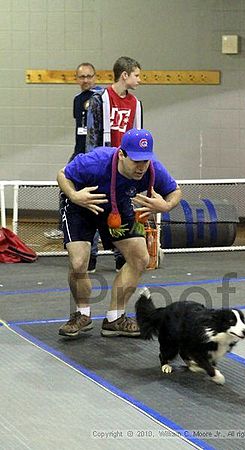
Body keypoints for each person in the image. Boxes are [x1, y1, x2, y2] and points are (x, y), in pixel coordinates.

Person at [57, 128, 182, 338]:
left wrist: (166, 205)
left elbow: (175, 191)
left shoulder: (153, 169)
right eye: (136, 161)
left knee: (140, 258)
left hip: (117, 207)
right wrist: (74, 195)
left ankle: (115, 318)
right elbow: (62, 175)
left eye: (146, 161)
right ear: (122, 154)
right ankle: (82, 314)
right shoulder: (96, 161)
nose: (141, 167)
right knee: (79, 262)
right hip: (82, 206)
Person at [86, 56, 143, 272]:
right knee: (95, 209)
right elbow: (92, 138)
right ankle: (90, 257)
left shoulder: (136, 105)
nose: (139, 80)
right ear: (124, 75)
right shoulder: (99, 100)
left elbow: (138, 137)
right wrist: (92, 167)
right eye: (136, 75)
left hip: (124, 168)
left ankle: (122, 256)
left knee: (123, 210)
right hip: (103, 164)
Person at [44, 62, 101, 272]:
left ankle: (107, 255)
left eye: (89, 76)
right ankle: (81, 248)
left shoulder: (101, 98)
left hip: (94, 157)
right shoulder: (78, 100)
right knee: (71, 197)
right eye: (81, 77)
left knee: (98, 203)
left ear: (95, 77)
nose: (85, 80)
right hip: (78, 154)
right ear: (76, 79)